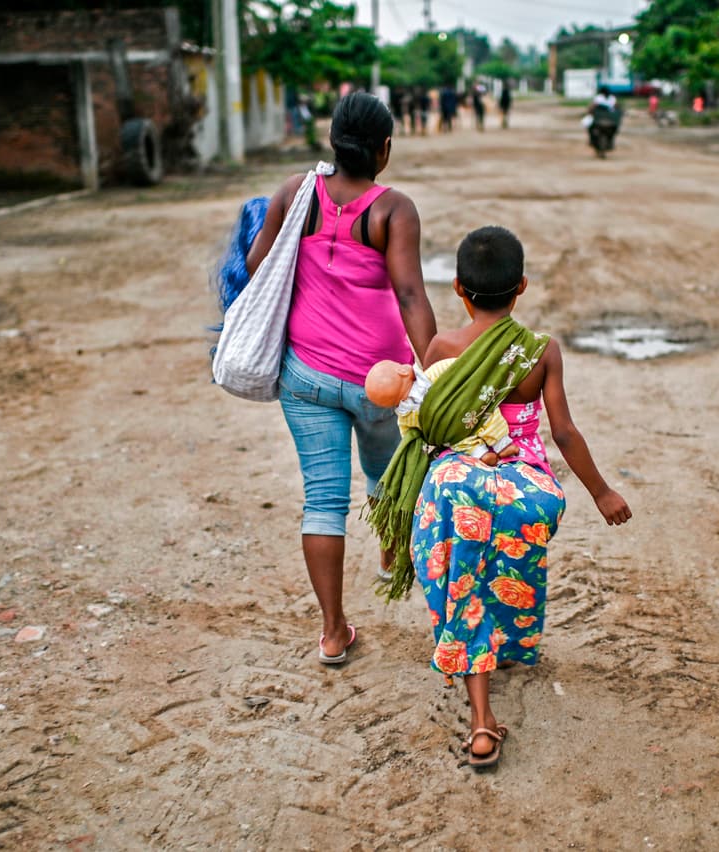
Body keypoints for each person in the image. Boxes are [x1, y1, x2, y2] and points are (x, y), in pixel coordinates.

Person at [368, 226, 631, 768]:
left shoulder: (443, 348)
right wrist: (601, 492)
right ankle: (507, 647)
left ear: (460, 290)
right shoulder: (540, 352)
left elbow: (428, 426)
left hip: (456, 488)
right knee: (508, 570)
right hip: (524, 492)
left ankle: (482, 721)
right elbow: (563, 433)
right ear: (523, 286)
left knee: (463, 585)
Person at [246, 92, 437, 666]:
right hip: (380, 381)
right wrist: (437, 369)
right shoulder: (392, 209)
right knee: (387, 474)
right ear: (384, 149)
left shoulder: (295, 193)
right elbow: (410, 294)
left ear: (332, 142)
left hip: (305, 376)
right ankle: (391, 555)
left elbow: (258, 265)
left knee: (322, 502)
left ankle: (332, 633)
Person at [364, 359, 519, 466]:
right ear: (404, 370)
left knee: (462, 443)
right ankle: (502, 444)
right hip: (468, 410)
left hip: (452, 434)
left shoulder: (406, 417)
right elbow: (459, 366)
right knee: (487, 416)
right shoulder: (433, 373)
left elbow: (409, 438)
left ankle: (481, 454)